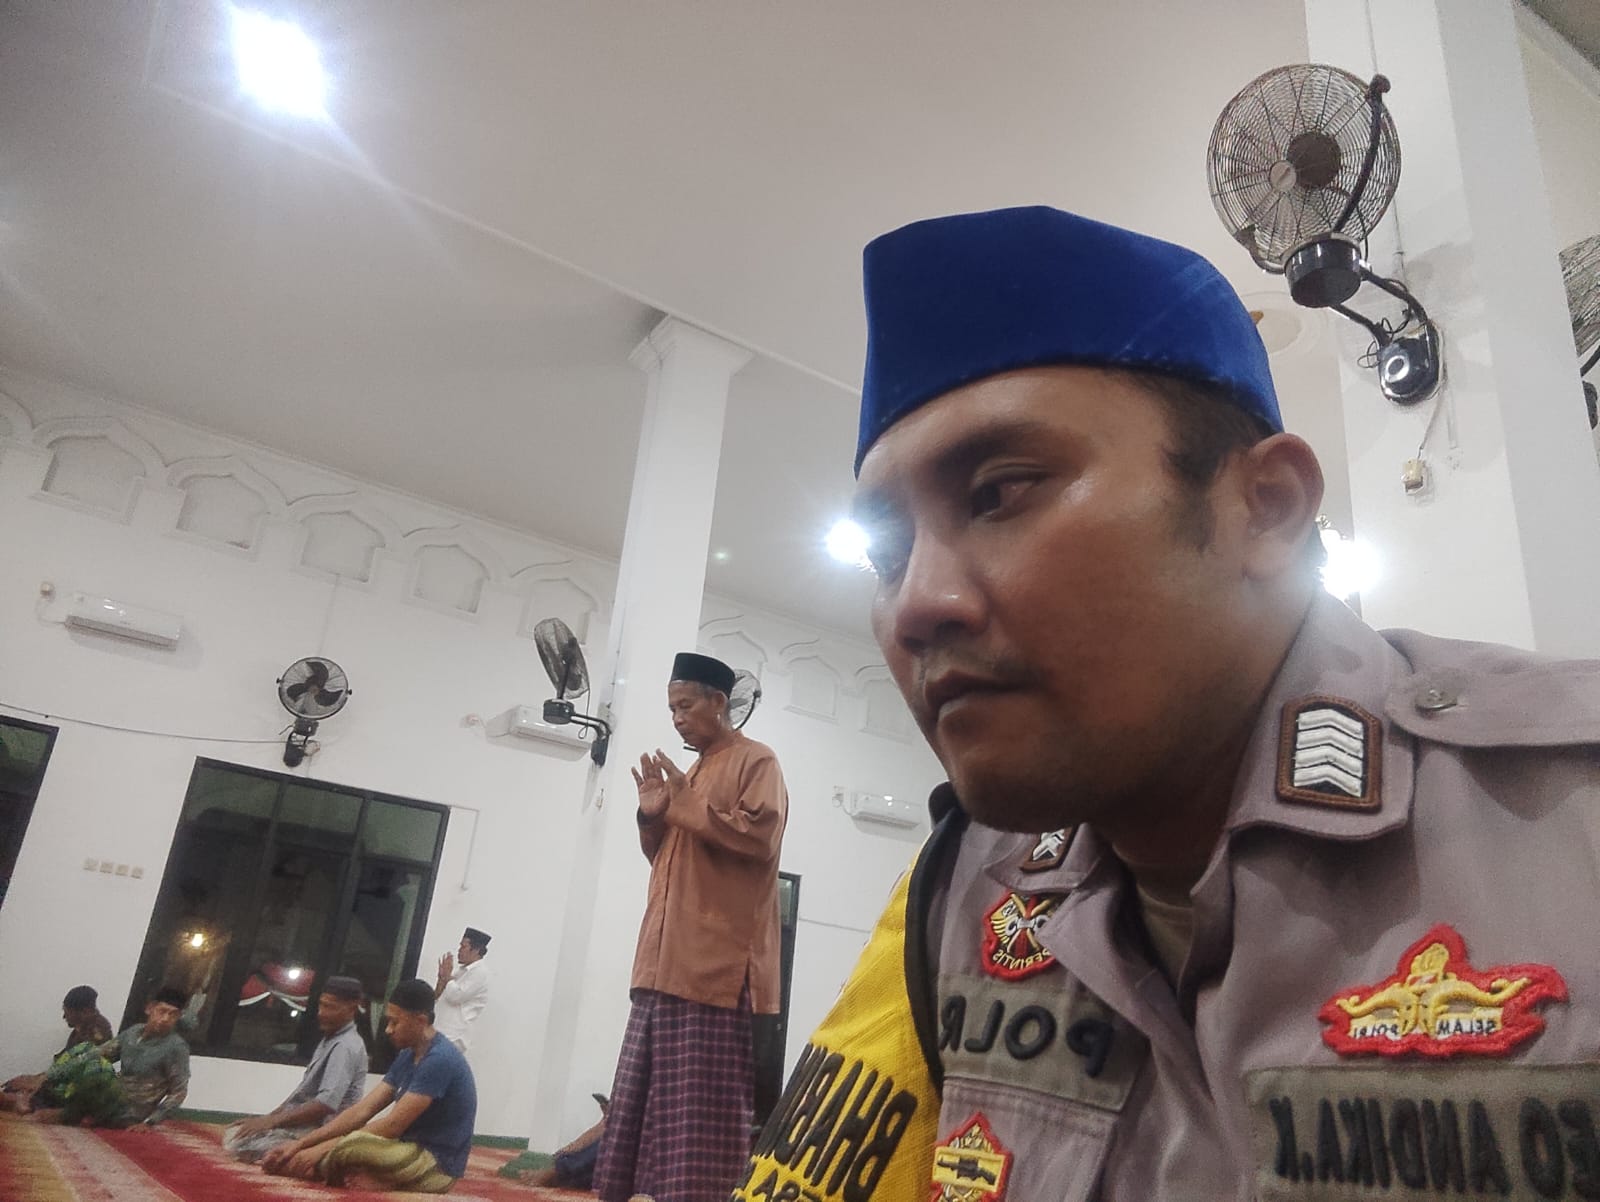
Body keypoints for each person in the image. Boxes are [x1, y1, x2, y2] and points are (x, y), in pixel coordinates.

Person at [735, 206, 1600, 1201]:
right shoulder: (966, 889)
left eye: (1000, 492)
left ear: (1265, 507)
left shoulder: (1566, 813)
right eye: (887, 552)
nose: (918, 602)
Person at [593, 651, 790, 1202]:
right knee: (641, 1110)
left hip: (714, 970)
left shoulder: (757, 761)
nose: (677, 719)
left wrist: (686, 807)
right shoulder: (695, 771)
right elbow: (668, 859)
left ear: (718, 702)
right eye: (672, 709)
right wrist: (652, 815)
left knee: (698, 1119)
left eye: (685, 706)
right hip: (660, 965)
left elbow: (760, 838)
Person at [262, 978, 477, 1193]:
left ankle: (324, 1168)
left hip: (436, 1165)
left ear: (420, 1021)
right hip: (402, 1149)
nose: (388, 1030)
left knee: (350, 1146)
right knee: (340, 1145)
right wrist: (301, 1145)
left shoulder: (439, 1059)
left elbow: (392, 1126)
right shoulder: (407, 1056)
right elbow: (361, 1111)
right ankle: (354, 1173)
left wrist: (317, 1150)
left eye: (395, 1022)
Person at [223, 975, 369, 1162]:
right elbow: (302, 1093)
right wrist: (268, 1118)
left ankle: (312, 1154)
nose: (321, 1013)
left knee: (242, 1144)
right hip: (303, 1126)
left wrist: (272, 1122)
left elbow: (326, 1104)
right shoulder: (331, 1039)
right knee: (236, 1133)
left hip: (322, 1130)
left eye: (330, 1007)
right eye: (321, 1005)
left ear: (352, 1009)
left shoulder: (345, 1046)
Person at [31, 985, 190, 1128]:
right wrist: (47, 1076)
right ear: (150, 1009)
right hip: (112, 1099)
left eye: (173, 1015)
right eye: (162, 1011)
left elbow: (179, 1092)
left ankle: (67, 1114)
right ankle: (41, 1093)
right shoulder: (133, 1033)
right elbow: (95, 1054)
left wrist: (149, 1122)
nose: (165, 1019)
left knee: (98, 1070)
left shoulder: (176, 1047)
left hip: (130, 1113)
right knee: (86, 1050)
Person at [1, 984, 115, 1114]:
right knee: (14, 1087)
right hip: (60, 1083)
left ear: (84, 1012)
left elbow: (76, 1067)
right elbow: (62, 1064)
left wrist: (38, 1081)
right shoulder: (80, 1030)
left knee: (17, 1096)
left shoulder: (97, 1033)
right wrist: (33, 1078)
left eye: (67, 1012)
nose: (64, 1017)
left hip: (75, 1091)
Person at [433, 927, 490, 1055]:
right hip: (439, 1030)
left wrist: (447, 977)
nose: (459, 950)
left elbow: (456, 996)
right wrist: (441, 979)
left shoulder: (480, 972)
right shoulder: (461, 971)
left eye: (463, 947)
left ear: (476, 950)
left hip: (454, 1036)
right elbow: (437, 996)